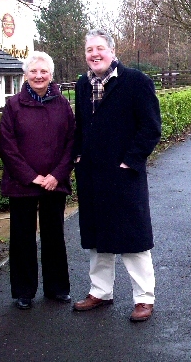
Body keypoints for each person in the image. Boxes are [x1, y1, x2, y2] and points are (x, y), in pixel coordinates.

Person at [72, 29, 161, 322]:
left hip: (124, 176)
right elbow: (81, 126)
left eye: (99, 49)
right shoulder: (83, 85)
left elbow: (151, 127)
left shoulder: (136, 82)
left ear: (112, 51)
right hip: (93, 176)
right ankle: (100, 292)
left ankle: (144, 299)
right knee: (98, 238)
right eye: (89, 50)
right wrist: (78, 156)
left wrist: (130, 162)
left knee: (133, 238)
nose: (94, 54)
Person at [0, 51, 75, 310]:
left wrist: (56, 175)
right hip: (22, 184)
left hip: (55, 183)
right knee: (22, 237)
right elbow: (7, 147)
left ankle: (56, 288)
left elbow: (71, 143)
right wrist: (32, 177)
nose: (39, 76)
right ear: (26, 75)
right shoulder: (13, 105)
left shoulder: (62, 104)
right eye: (33, 71)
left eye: (43, 72)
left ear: (51, 75)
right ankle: (24, 291)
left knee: (54, 236)